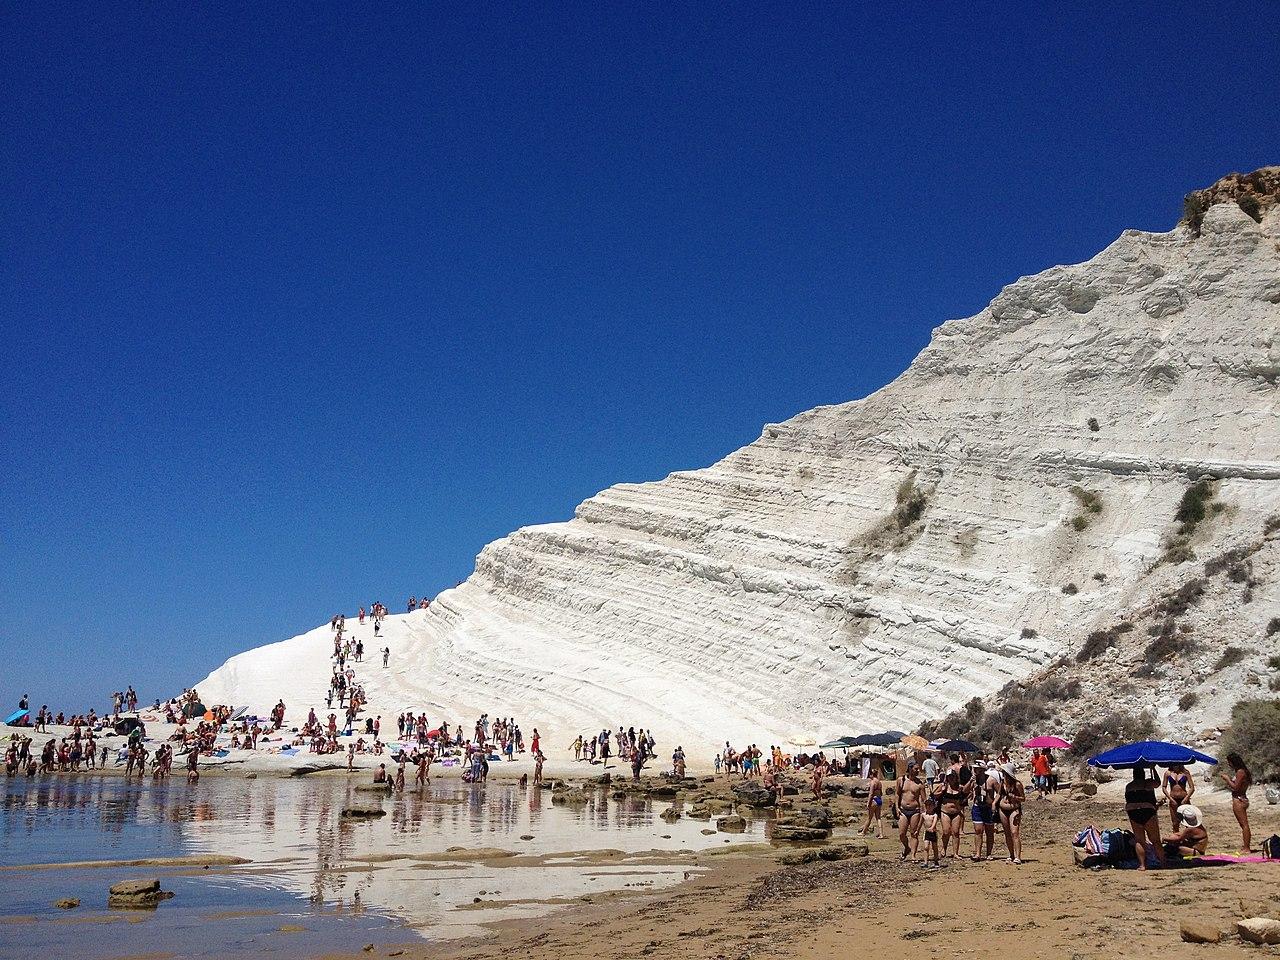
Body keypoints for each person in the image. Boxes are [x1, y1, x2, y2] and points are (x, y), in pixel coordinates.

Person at [1124, 765, 1165, 870]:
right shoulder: (1148, 784)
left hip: (1133, 812)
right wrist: (1153, 769)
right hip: (1147, 811)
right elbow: (1158, 783)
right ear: (1143, 774)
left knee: (1139, 840)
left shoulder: (1129, 786)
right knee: (1155, 840)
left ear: (1134, 775)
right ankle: (1163, 863)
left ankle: (1142, 865)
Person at [1221, 753, 1253, 853]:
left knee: (1244, 825)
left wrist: (1227, 779)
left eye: (1229, 762)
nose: (1229, 764)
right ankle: (1246, 846)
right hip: (1241, 798)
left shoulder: (1240, 772)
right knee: (1243, 824)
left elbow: (1235, 787)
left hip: (1239, 800)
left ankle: (1247, 847)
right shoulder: (1242, 771)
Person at [997, 763, 1025, 864]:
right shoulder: (1002, 783)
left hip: (1014, 809)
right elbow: (999, 794)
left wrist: (1015, 797)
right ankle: (1011, 854)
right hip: (1003, 809)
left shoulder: (1017, 784)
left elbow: (1023, 798)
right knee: (1007, 833)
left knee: (1014, 833)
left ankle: (1018, 856)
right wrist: (994, 803)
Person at [897, 762, 925, 861]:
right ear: (910, 769)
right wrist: (897, 807)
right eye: (916, 769)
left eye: (918, 769)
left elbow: (923, 799)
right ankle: (907, 848)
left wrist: (924, 812)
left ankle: (913, 855)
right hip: (903, 810)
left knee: (914, 833)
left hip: (915, 811)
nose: (918, 771)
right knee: (902, 834)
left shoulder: (920, 784)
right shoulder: (901, 780)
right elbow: (898, 794)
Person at [971, 761, 998, 861]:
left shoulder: (991, 780)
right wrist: (971, 783)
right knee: (978, 830)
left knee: (989, 832)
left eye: (977, 769)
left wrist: (994, 803)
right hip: (977, 806)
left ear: (982, 770)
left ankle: (989, 853)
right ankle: (977, 853)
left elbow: (999, 792)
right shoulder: (974, 781)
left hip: (988, 807)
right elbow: (965, 791)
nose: (975, 771)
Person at [1162, 762, 1195, 830]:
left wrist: (1186, 798)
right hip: (1173, 799)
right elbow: (1163, 787)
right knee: (1175, 822)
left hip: (1184, 798)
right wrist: (1170, 798)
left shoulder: (1185, 772)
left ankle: (1189, 837)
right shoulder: (1168, 773)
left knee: (1188, 820)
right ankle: (1176, 838)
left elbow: (1192, 788)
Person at [860, 765, 885, 839]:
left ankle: (863, 832)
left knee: (869, 818)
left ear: (871, 774)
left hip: (874, 800)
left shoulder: (873, 782)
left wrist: (868, 802)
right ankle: (881, 834)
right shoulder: (879, 782)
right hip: (879, 800)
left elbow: (871, 794)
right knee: (878, 818)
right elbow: (881, 793)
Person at [920, 797, 941, 867]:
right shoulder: (923, 815)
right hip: (926, 832)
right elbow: (920, 823)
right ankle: (925, 862)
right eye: (927, 805)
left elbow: (934, 822)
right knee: (926, 847)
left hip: (933, 833)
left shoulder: (935, 815)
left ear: (933, 806)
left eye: (930, 805)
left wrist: (932, 828)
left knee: (934, 847)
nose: (928, 807)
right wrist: (917, 830)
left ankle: (936, 861)